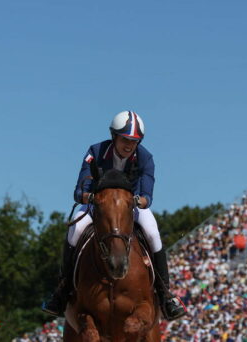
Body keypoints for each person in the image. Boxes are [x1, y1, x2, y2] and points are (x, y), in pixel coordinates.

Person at [42, 110, 185, 320]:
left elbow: (147, 196)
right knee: (75, 230)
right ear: (114, 136)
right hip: (98, 205)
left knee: (153, 233)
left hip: (130, 207)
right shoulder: (96, 152)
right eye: (125, 139)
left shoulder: (145, 158)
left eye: (134, 141)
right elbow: (80, 189)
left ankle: (165, 295)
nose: (129, 145)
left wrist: (134, 202)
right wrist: (91, 198)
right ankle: (62, 291)